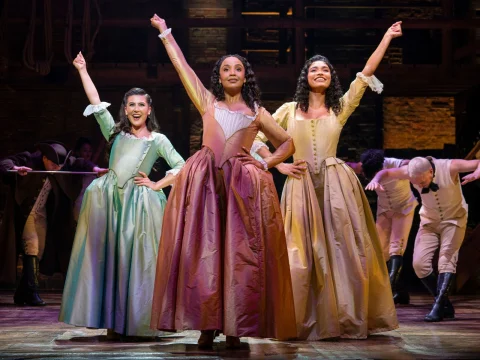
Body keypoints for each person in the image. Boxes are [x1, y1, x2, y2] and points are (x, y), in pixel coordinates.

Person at [149, 14, 297, 349]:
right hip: (206, 183)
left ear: (246, 77)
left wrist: (266, 163)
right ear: (218, 76)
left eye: (238, 69)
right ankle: (206, 324)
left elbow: (287, 142)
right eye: (226, 68)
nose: (232, 72)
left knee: (239, 255)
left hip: (240, 188)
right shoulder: (207, 102)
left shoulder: (257, 112)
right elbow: (182, 67)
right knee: (205, 252)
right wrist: (165, 32)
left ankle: (234, 325)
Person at [251, 22, 403, 340]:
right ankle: (300, 318)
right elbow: (256, 139)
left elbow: (365, 73)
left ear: (331, 77)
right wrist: (278, 167)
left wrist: (386, 38)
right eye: (314, 69)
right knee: (300, 253)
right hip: (300, 184)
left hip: (337, 186)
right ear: (305, 77)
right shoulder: (289, 111)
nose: (320, 73)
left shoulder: (340, 108)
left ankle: (344, 318)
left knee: (342, 251)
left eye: (325, 70)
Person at [59, 52, 185, 338]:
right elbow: (95, 103)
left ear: (150, 109)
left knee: (136, 261)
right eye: (132, 105)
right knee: (110, 259)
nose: (136, 109)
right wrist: (82, 70)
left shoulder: (158, 140)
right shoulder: (114, 132)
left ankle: (137, 319)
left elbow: (181, 166)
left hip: (139, 206)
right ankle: (113, 322)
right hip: (108, 202)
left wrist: (156, 184)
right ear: (125, 109)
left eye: (142, 105)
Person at [366, 156, 480, 322]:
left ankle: (439, 307)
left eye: (422, 182)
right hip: (429, 221)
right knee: (419, 265)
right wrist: (376, 179)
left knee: (446, 261)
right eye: (416, 183)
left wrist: (478, 171)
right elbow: (386, 172)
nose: (419, 186)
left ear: (431, 171)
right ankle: (444, 302)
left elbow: (477, 162)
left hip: (454, 220)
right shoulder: (409, 172)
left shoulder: (450, 167)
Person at [0, 141, 102, 305]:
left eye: (59, 165)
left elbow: (80, 162)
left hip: (41, 214)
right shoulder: (30, 159)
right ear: (45, 158)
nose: (56, 168)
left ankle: (22, 293)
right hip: (27, 213)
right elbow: (5, 163)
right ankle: (32, 292)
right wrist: (16, 169)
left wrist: (95, 169)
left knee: (37, 251)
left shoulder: (63, 165)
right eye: (53, 164)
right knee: (31, 245)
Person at [350, 149, 418, 304]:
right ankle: (400, 292)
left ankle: (387, 291)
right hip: (385, 210)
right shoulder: (365, 166)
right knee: (379, 249)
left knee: (397, 246)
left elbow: (410, 164)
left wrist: (414, 167)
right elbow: (349, 165)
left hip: (403, 208)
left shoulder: (394, 163)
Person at [72, 137, 97, 221]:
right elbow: (84, 162)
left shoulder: (91, 166)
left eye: (90, 151)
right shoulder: (76, 162)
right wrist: (96, 169)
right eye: (85, 151)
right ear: (78, 152)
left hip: (91, 205)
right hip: (80, 204)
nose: (88, 153)